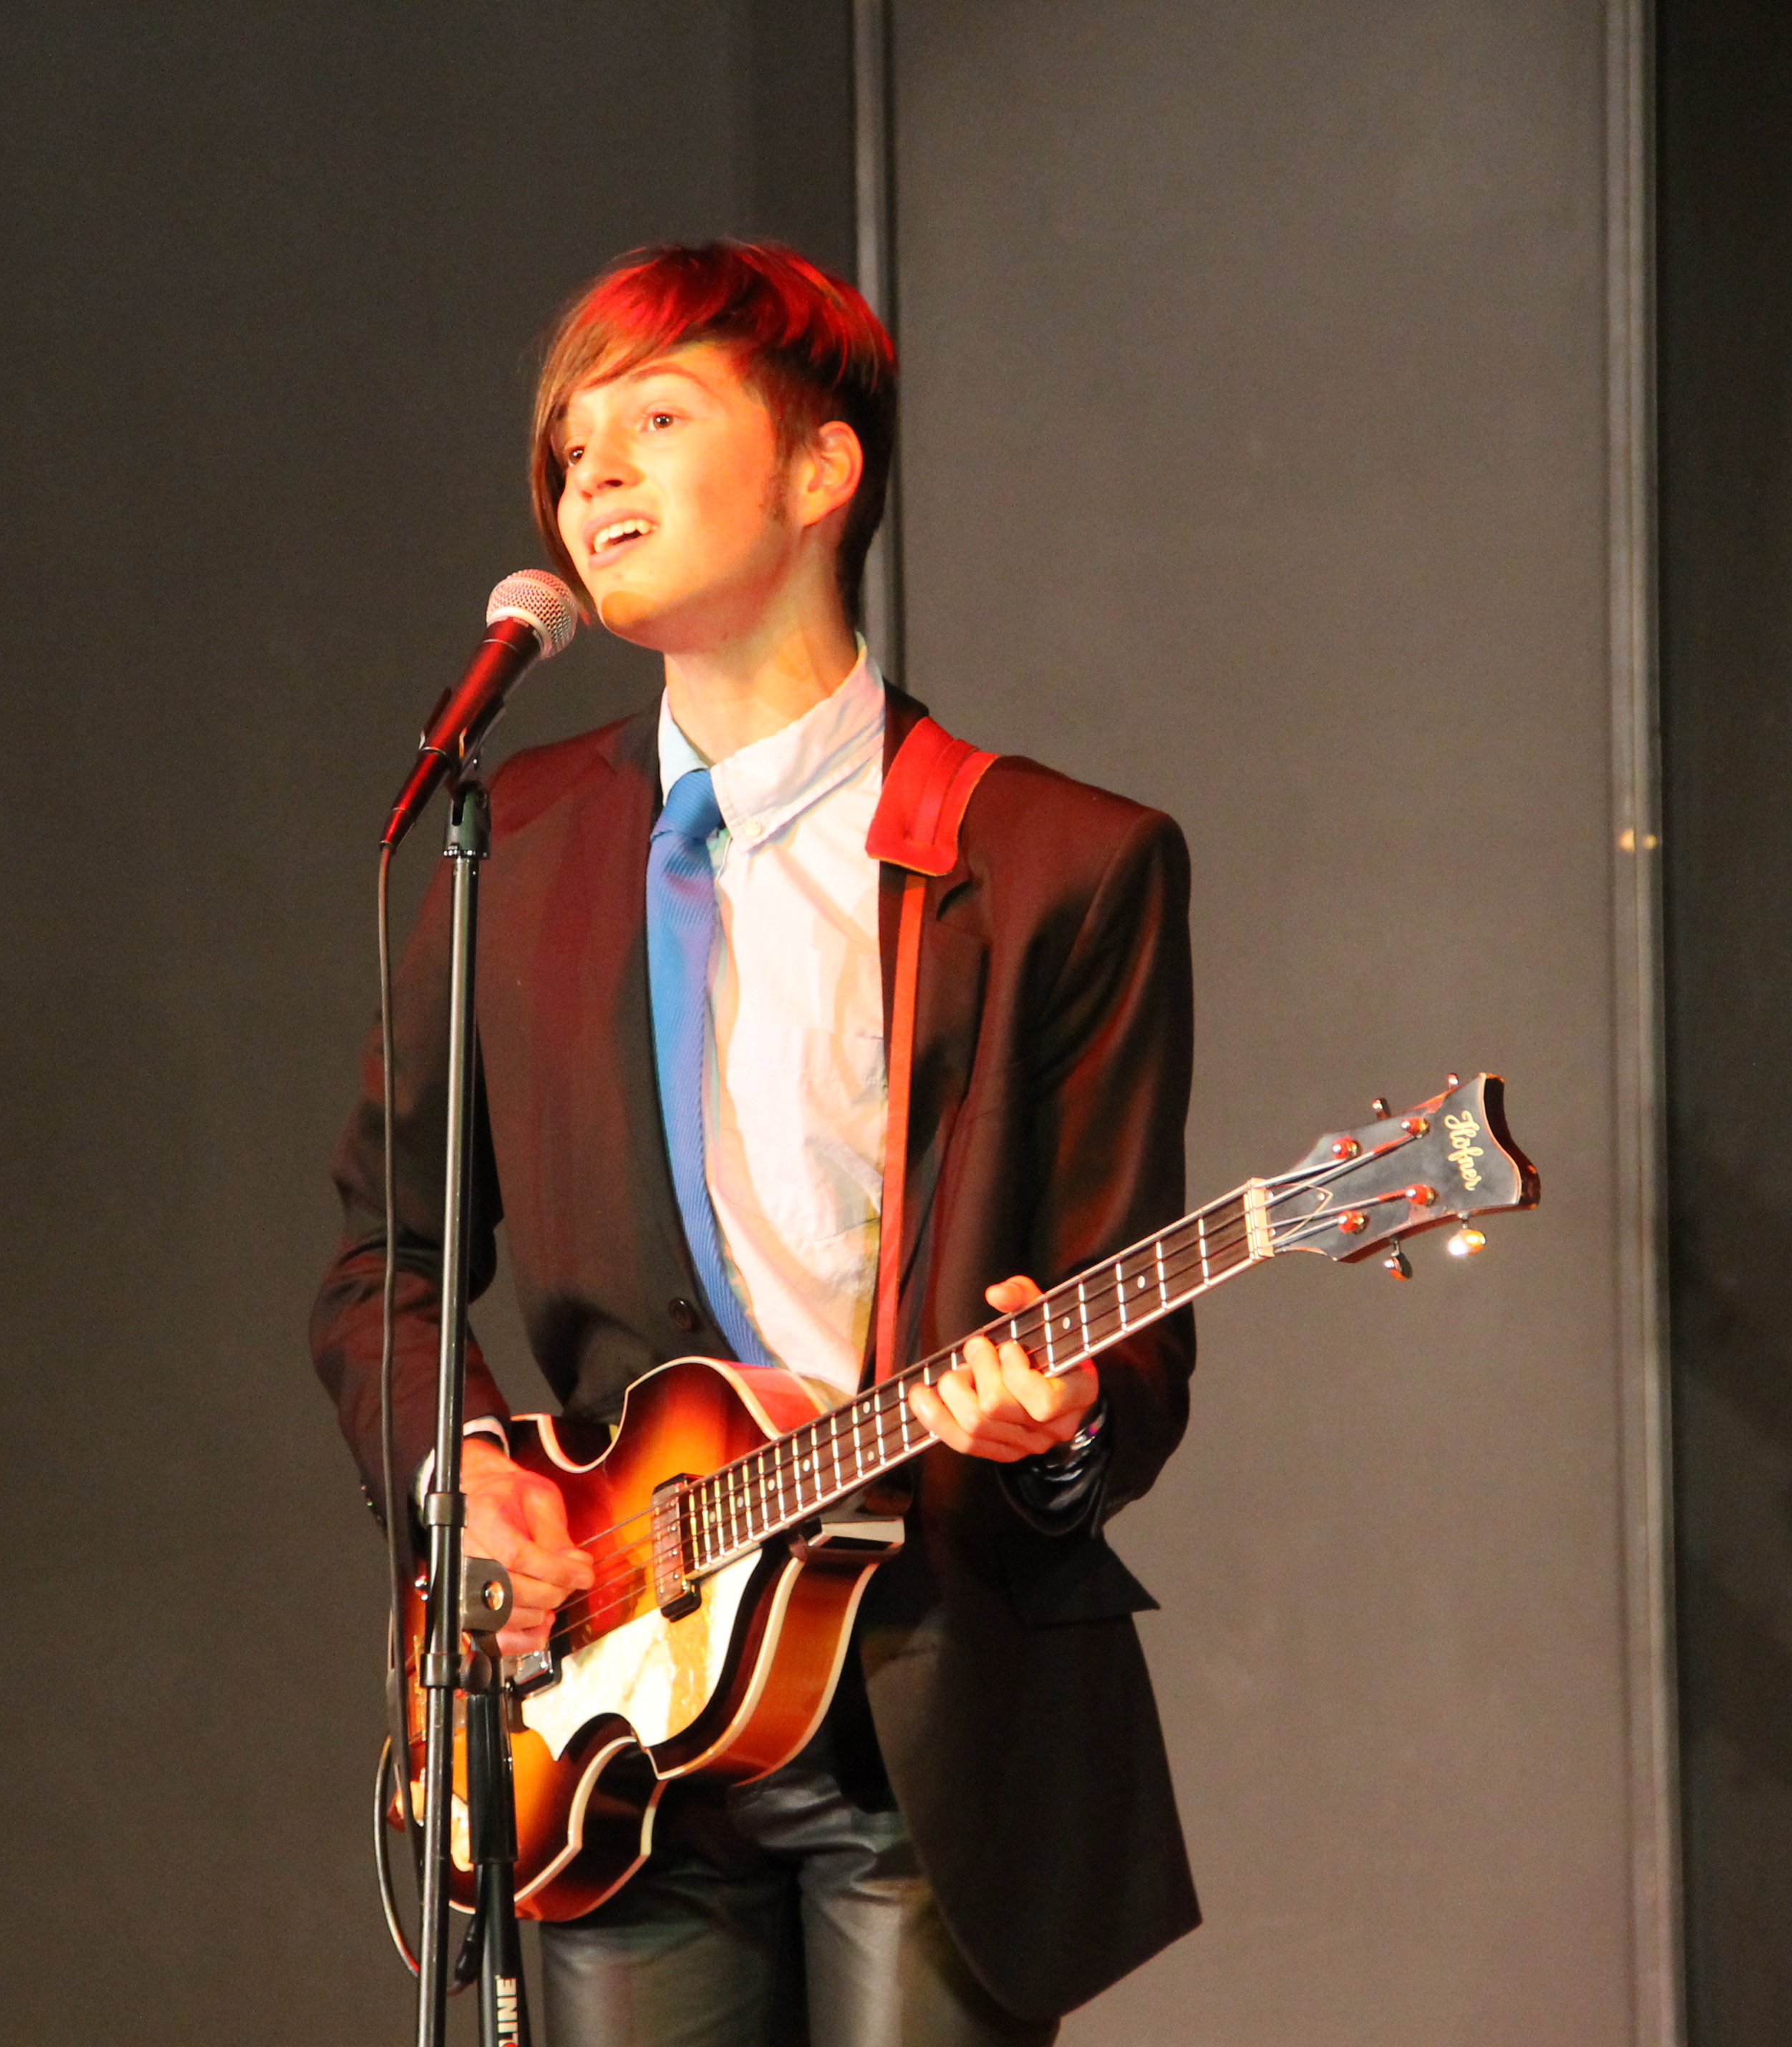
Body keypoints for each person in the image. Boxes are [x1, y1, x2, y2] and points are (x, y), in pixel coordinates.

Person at [310, 242, 1198, 2047]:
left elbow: (1132, 1333)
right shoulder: (513, 842)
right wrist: (467, 1481)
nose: (594, 476)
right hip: (615, 1705)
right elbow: (383, 1256)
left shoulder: (1056, 863)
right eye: (571, 447)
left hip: (928, 1685)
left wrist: (1053, 1425)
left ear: (820, 468)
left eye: (654, 418)